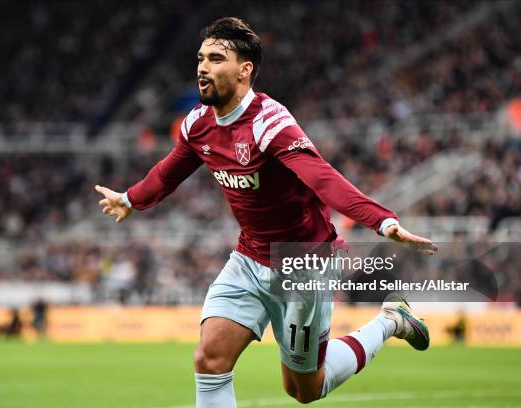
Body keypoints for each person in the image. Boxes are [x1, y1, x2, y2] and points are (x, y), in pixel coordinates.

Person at [96, 17, 438, 407]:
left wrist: (382, 220)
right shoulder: (197, 125)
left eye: (215, 58)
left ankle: (391, 320)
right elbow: (168, 173)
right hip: (248, 257)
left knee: (304, 389)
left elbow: (323, 179)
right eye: (200, 58)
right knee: (209, 359)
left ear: (244, 70)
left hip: (304, 262)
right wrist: (129, 199)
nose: (202, 68)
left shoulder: (270, 124)